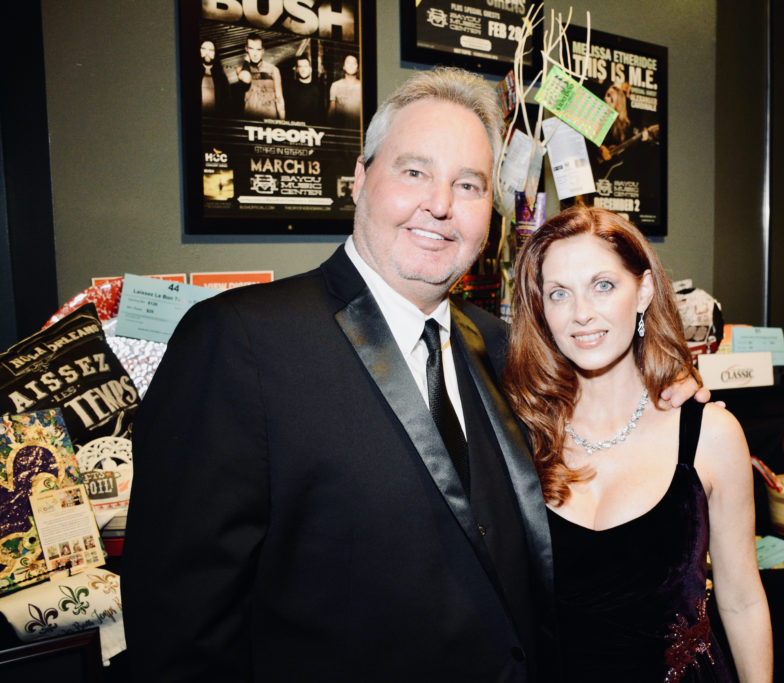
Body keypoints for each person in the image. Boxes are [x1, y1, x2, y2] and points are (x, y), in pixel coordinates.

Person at [123, 67, 703, 681]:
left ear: (491, 215)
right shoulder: (239, 342)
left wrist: (664, 388)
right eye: (415, 171)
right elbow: (180, 628)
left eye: (470, 184)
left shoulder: (503, 347)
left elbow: (595, 417)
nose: (441, 204)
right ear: (359, 179)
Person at [503, 206, 772, 682]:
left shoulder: (709, 435)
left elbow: (743, 599)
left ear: (644, 289)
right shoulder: (517, 432)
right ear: (541, 308)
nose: (582, 313)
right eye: (559, 294)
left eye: (603, 285)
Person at [236, 33, 284, 120]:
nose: (255, 54)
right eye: (251, 49)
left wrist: (283, 123)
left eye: (258, 49)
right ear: (246, 49)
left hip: (270, 121)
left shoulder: (273, 70)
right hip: (250, 121)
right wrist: (246, 60)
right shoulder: (241, 70)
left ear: (263, 50)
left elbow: (279, 98)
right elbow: (246, 78)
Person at [283, 53, 325, 125]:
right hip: (296, 129)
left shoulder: (318, 88)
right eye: (300, 66)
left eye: (305, 66)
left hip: (314, 130)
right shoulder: (290, 87)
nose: (303, 69)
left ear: (310, 69)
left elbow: (322, 113)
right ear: (297, 70)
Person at [328, 53, 362, 128]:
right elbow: (332, 111)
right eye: (348, 62)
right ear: (344, 66)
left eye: (354, 63)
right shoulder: (336, 85)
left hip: (358, 129)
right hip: (341, 130)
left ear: (357, 67)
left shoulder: (362, 87)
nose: (351, 65)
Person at [200, 39, 229, 116]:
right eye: (204, 49)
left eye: (211, 50)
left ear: (215, 53)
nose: (207, 53)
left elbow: (227, 104)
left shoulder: (222, 78)